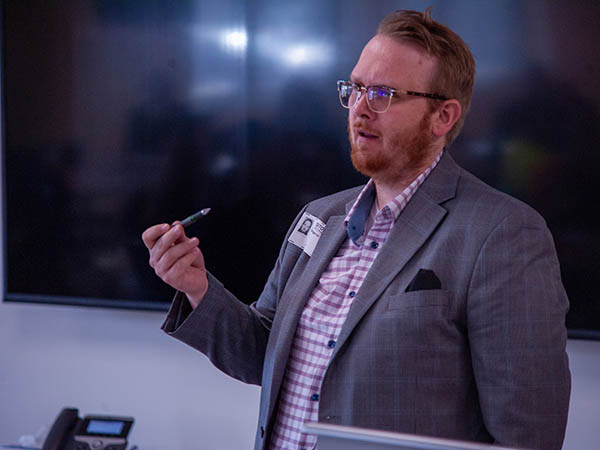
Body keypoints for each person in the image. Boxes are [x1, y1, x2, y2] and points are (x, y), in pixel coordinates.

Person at [142, 9, 571, 450]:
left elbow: (529, 434)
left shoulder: (502, 233)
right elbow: (262, 354)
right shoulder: (320, 217)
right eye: (356, 88)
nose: (360, 109)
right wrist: (197, 287)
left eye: (384, 93)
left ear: (442, 117)